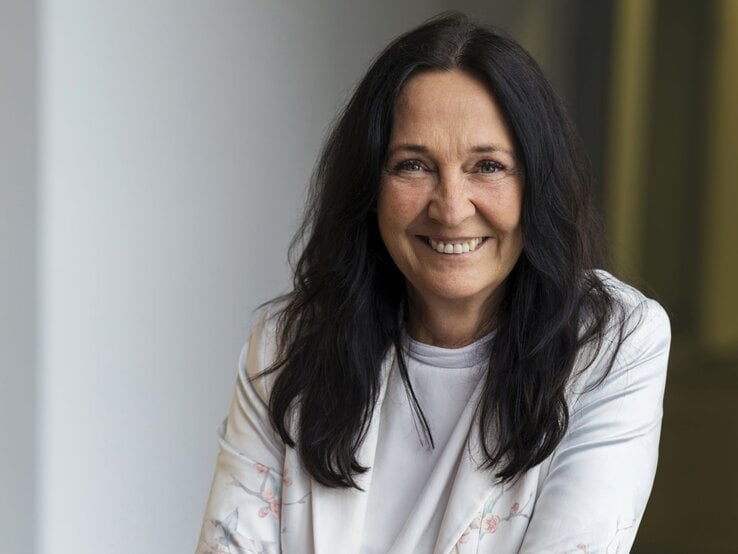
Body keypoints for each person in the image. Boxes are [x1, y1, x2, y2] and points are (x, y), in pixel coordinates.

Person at [197, 12, 670, 554]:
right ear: (368, 185)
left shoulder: (613, 343)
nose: (450, 208)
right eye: (413, 165)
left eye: (488, 166)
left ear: (537, 181)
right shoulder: (285, 343)